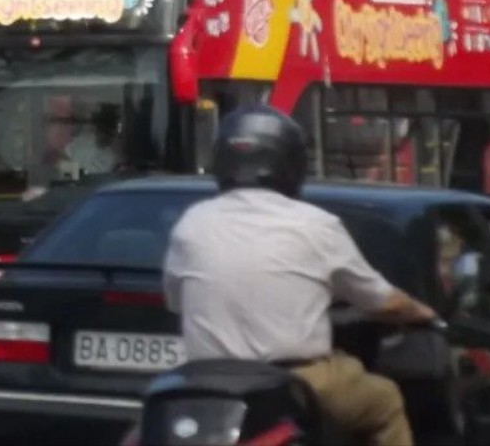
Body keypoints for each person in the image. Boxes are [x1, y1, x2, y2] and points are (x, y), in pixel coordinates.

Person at [163, 106, 438, 446]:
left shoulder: (192, 223)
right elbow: (383, 301)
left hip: (204, 383)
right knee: (386, 401)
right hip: (296, 380)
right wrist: (424, 313)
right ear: (290, 163)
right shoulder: (315, 225)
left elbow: (175, 301)